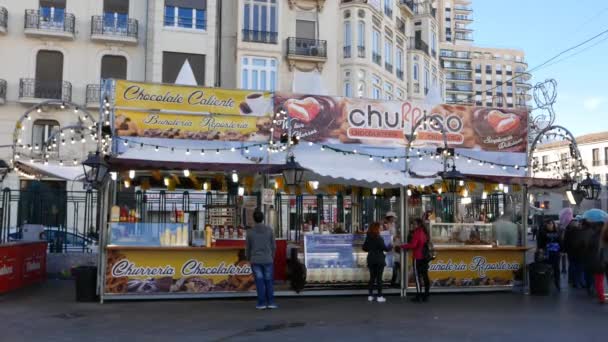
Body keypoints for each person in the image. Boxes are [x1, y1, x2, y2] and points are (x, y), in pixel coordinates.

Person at [246, 209, 277, 310]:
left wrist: (249, 258)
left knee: (259, 282)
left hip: (255, 260)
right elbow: (274, 246)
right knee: (268, 281)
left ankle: (261, 303)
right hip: (268, 259)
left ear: (254, 219)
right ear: (263, 218)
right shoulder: (269, 230)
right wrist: (271, 256)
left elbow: (248, 248)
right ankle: (271, 302)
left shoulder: (250, 232)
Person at [400, 218, 430, 302]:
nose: (413, 225)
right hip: (424, 257)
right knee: (425, 276)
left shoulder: (417, 232)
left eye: (414, 224)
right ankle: (426, 295)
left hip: (418, 256)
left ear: (418, 224)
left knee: (417, 277)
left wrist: (403, 246)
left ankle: (419, 295)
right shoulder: (425, 232)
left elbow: (413, 245)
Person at [579, 209, 606, 301]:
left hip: (592, 260)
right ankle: (599, 295)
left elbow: (587, 247)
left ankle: (598, 295)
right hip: (601, 260)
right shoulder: (601, 236)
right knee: (599, 279)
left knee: (597, 279)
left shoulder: (591, 235)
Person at [362, 222, 391, 303]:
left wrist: (371, 249)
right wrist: (391, 245)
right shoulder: (379, 238)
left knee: (372, 278)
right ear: (376, 228)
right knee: (379, 279)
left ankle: (370, 295)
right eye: (380, 227)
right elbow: (385, 249)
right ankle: (380, 296)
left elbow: (364, 248)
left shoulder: (368, 237)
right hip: (379, 260)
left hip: (371, 259)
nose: (381, 228)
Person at [537, 219, 563, 291]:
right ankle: (546, 283)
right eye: (548, 224)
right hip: (546, 253)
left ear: (553, 224)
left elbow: (560, 241)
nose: (550, 225)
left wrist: (561, 251)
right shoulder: (542, 232)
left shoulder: (557, 232)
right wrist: (540, 249)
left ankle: (557, 283)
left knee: (556, 268)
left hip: (555, 253)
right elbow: (540, 242)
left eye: (551, 224)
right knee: (546, 268)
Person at [563, 209, 585, 288]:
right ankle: (578, 282)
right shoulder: (579, 231)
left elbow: (565, 241)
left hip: (572, 252)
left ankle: (574, 281)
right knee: (578, 267)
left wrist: (565, 250)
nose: (577, 223)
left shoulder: (568, 230)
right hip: (578, 252)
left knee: (574, 267)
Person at [384, 211, 401, 286]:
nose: (394, 219)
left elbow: (394, 235)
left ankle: (395, 280)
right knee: (392, 264)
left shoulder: (393, 225)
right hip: (389, 247)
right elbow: (386, 236)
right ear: (390, 218)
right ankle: (392, 281)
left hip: (394, 246)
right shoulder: (386, 225)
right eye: (393, 217)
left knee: (396, 263)